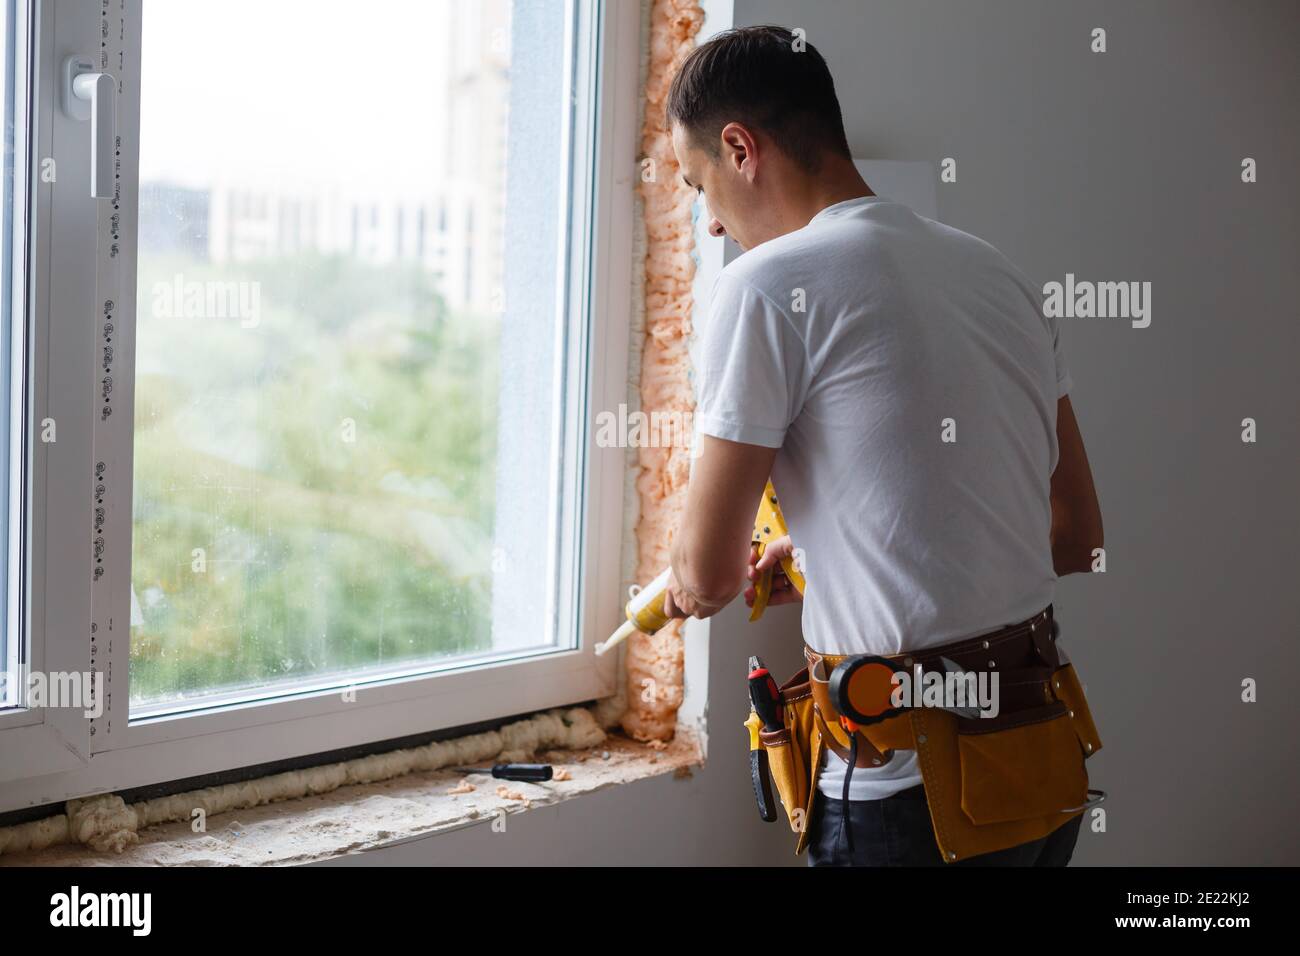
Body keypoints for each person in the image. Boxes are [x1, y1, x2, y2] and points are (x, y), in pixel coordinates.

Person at [659, 25, 1103, 866]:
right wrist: (841, 550)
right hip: (1040, 766)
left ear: (740, 147)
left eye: (698, 186)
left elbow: (709, 575)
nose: (709, 226)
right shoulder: (998, 275)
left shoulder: (764, 287)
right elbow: (1077, 531)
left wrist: (685, 586)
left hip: (908, 801)